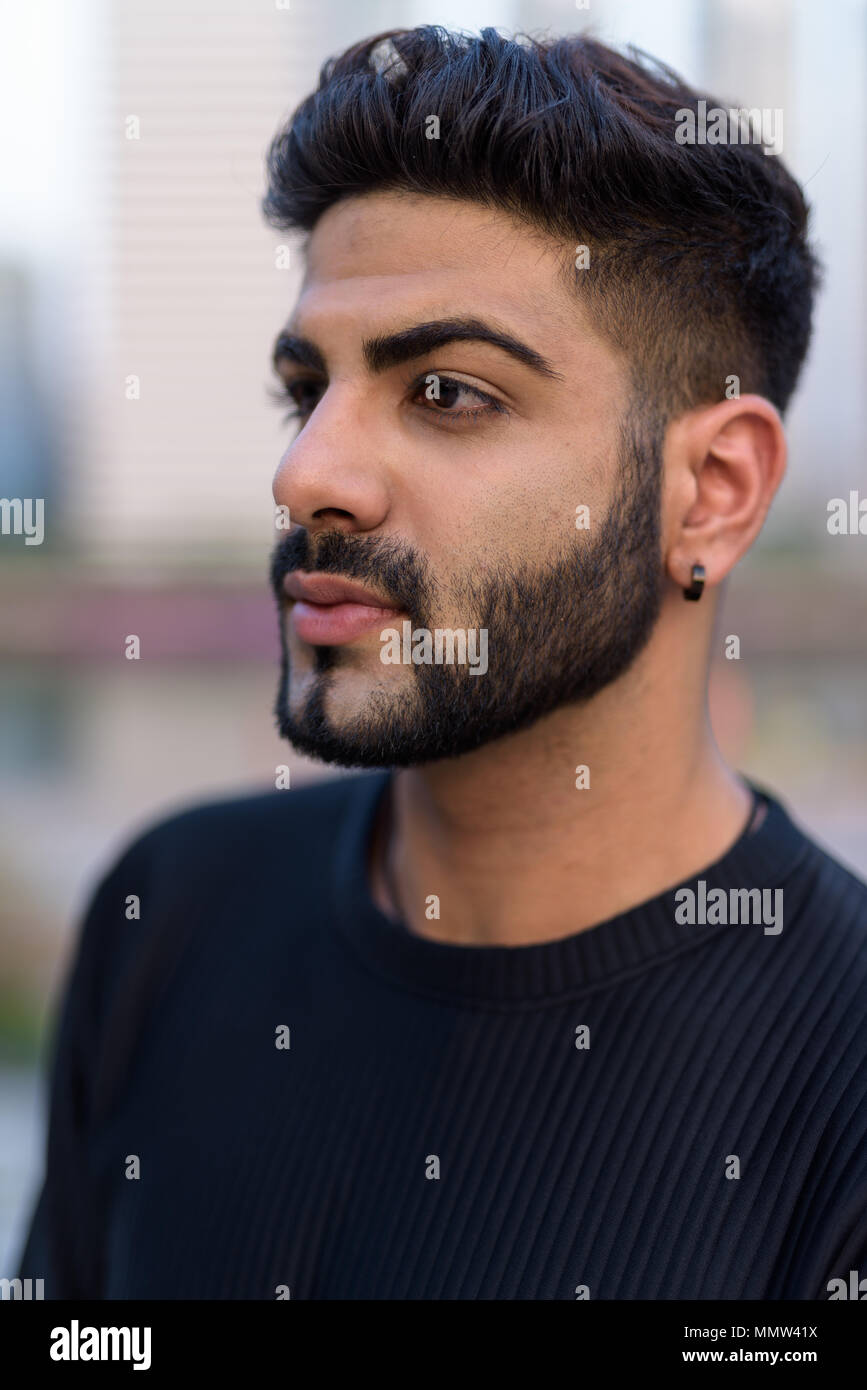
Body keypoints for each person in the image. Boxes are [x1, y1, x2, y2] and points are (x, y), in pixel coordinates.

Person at [18, 27, 867, 1300]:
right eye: (308, 386)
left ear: (712, 492)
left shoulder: (838, 1085)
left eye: (449, 392)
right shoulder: (170, 915)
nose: (307, 474)